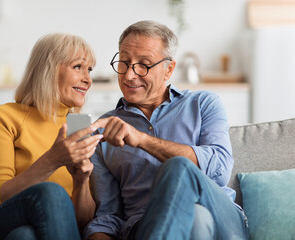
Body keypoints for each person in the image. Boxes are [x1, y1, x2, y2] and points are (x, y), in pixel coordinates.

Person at [84, 20, 249, 240]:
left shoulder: (203, 104)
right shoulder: (103, 130)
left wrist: (141, 140)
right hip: (146, 225)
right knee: (197, 219)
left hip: (222, 220)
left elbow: (220, 168)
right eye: (124, 62)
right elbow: (108, 215)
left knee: (179, 167)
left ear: (168, 69)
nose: (129, 75)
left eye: (144, 64)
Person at [0, 33, 104, 240]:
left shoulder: (77, 127)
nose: (88, 79)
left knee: (24, 236)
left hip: (36, 231)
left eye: (90, 70)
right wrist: (53, 159)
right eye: (78, 67)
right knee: (51, 193)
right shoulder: (5, 116)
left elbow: (80, 223)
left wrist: (81, 181)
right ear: (49, 69)